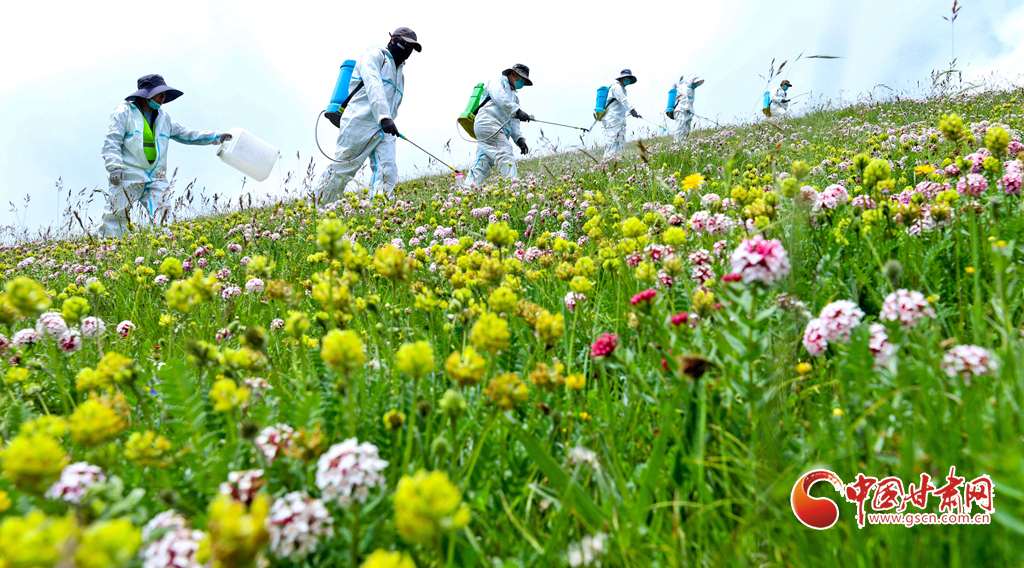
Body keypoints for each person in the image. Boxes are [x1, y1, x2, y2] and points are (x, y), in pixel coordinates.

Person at [100, 74, 228, 237]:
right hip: (128, 175)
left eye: (164, 93)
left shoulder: (164, 118)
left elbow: (187, 134)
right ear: (146, 94)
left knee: (163, 215)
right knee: (116, 216)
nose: (163, 97)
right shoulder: (124, 112)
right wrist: (115, 167)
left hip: (156, 177)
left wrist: (218, 137)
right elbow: (112, 140)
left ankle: (163, 247)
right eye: (159, 93)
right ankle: (109, 248)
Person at [317, 27, 421, 202]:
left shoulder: (400, 74)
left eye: (412, 49)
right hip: (360, 122)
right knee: (343, 169)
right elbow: (374, 86)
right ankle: (317, 207)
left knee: (388, 169)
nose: (408, 51)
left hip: (385, 128)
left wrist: (389, 119)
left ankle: (381, 208)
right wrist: (384, 117)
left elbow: (394, 102)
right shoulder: (374, 56)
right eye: (405, 45)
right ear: (393, 40)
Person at [469, 64, 533, 186]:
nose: (522, 84)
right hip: (488, 123)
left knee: (482, 163)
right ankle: (513, 187)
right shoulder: (497, 82)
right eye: (522, 80)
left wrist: (519, 139)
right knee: (505, 152)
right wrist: (517, 110)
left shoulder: (514, 99)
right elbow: (500, 97)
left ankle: (468, 189)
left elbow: (513, 122)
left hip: (495, 129)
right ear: (513, 74)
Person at [601, 69, 640, 159]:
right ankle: (607, 160)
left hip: (619, 119)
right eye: (627, 78)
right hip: (612, 118)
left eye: (629, 78)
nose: (628, 80)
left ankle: (617, 160)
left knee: (621, 140)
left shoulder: (623, 89)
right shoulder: (616, 87)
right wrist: (632, 110)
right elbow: (623, 99)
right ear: (622, 78)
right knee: (612, 140)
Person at [670, 74, 704, 142]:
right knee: (680, 126)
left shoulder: (692, 90)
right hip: (681, 111)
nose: (696, 84)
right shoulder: (684, 89)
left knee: (687, 127)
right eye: (695, 82)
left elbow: (690, 102)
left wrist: (691, 111)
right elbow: (684, 100)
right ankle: (677, 142)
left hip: (688, 112)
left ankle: (684, 141)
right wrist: (687, 109)